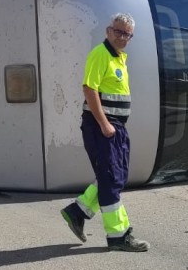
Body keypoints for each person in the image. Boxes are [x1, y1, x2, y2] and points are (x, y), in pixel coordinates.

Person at [60, 13, 150, 253]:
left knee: (115, 176)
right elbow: (89, 89)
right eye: (118, 32)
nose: (122, 37)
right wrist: (104, 124)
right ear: (108, 31)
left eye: (127, 34)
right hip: (103, 126)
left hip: (116, 126)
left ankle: (78, 211)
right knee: (111, 178)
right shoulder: (101, 54)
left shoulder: (119, 58)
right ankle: (118, 235)